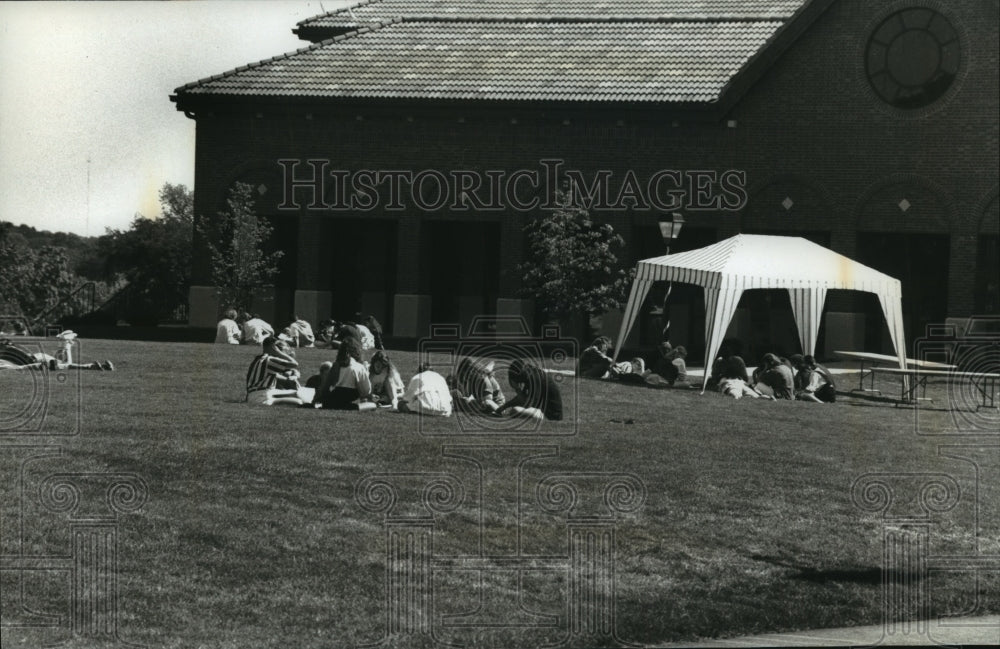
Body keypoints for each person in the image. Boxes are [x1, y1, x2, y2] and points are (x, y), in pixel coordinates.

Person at [314, 337, 374, 410]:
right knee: (372, 405)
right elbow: (366, 391)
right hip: (348, 398)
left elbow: (326, 387)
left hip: (331, 399)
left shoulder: (336, 365)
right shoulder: (359, 367)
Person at [496, 358, 563, 421]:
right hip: (544, 411)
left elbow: (530, 404)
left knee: (515, 410)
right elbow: (524, 398)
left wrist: (517, 389)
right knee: (516, 410)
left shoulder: (534, 378)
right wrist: (504, 407)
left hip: (549, 415)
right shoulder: (531, 376)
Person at [245, 335, 303, 406]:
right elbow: (294, 364)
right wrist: (278, 353)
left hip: (256, 395)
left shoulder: (259, 359)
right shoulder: (269, 360)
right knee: (298, 401)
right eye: (276, 347)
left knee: (297, 393)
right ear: (272, 347)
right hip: (262, 397)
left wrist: (293, 373)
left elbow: (289, 370)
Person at [0, 337, 114, 371]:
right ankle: (94, 367)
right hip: (33, 360)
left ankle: (67, 346)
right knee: (65, 364)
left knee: (64, 364)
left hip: (33, 359)